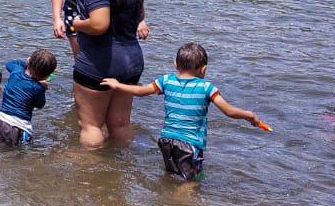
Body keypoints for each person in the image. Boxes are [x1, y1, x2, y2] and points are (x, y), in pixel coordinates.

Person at [103, 42, 267, 181]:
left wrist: (118, 85)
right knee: (191, 183)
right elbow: (229, 111)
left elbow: (140, 91)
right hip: (190, 144)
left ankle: (165, 201)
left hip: (166, 140)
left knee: (171, 175)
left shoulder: (166, 81)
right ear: (203, 69)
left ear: (176, 64)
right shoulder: (207, 88)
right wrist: (250, 115)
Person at [69, 0, 147, 148]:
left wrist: (77, 23)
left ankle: (91, 175)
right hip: (131, 61)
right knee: (120, 124)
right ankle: (119, 169)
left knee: (91, 125)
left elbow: (98, 24)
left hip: (99, 62)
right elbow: (140, 16)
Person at [0, 49, 57, 145]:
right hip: (19, 128)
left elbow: (9, 63)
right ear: (47, 76)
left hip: (1, 121)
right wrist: (43, 88)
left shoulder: (16, 71)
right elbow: (40, 104)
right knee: (22, 153)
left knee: (3, 148)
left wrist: (27, 63)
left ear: (29, 61)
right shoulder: (38, 88)